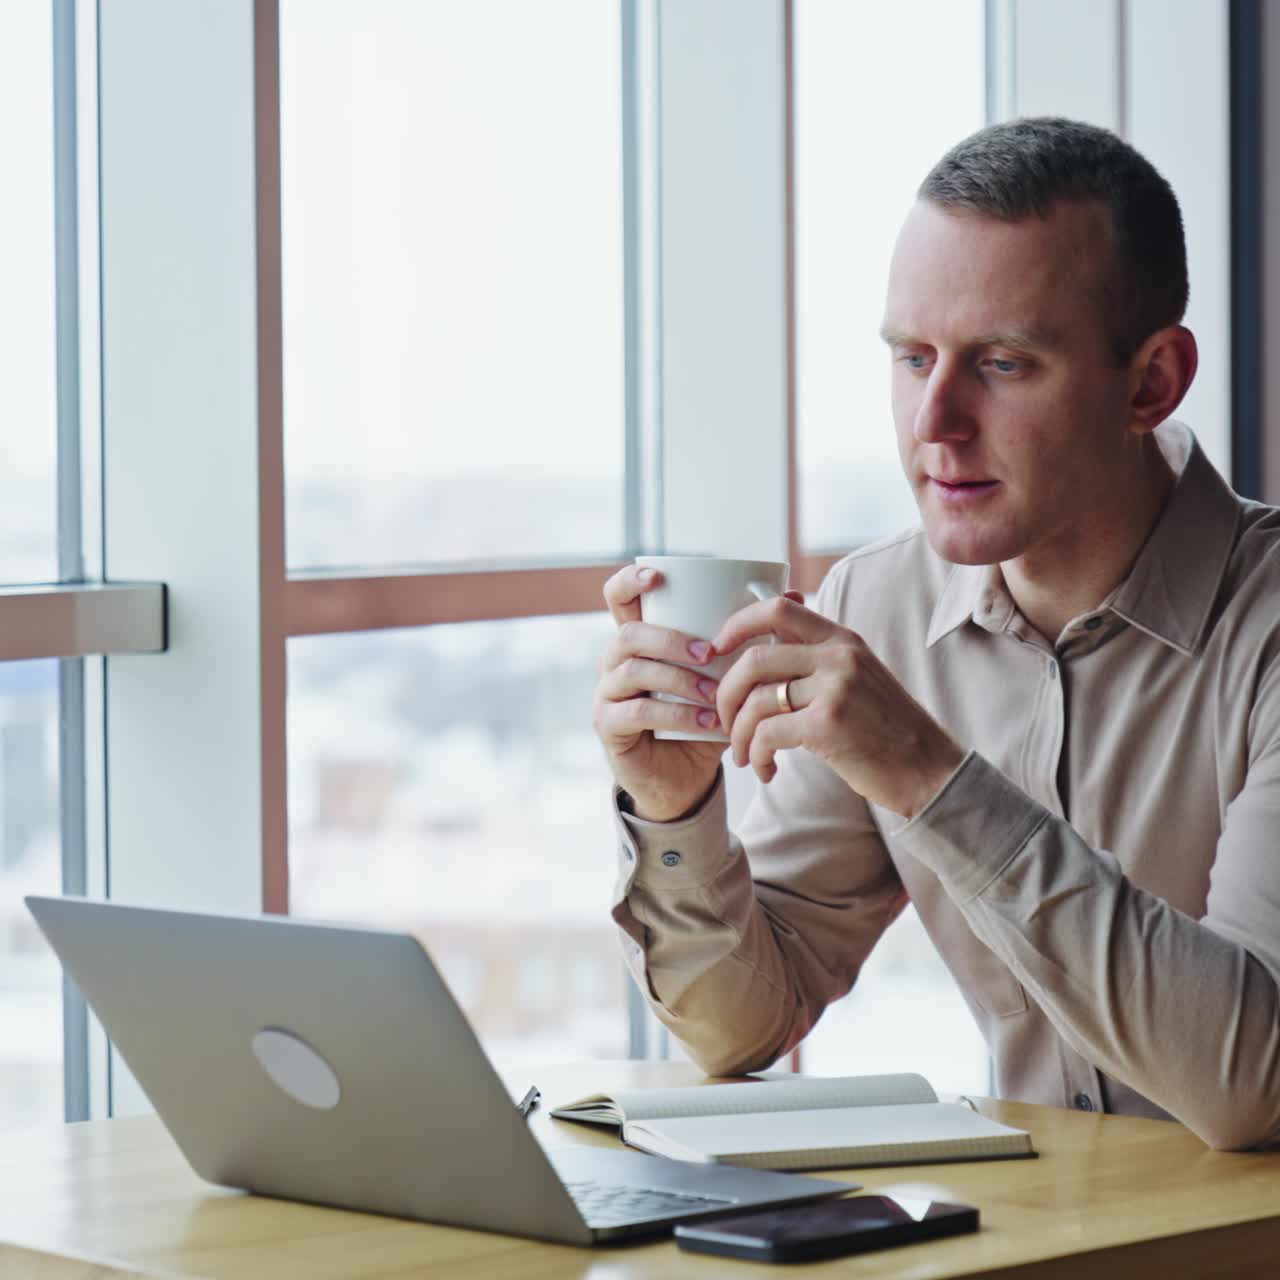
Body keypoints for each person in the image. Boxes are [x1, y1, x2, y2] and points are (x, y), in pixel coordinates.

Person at [592, 116, 1280, 1151]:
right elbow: (741, 1024)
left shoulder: (1263, 623)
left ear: (1149, 382)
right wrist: (674, 807)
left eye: (1001, 363)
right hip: (1051, 1240)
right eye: (910, 356)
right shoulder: (876, 608)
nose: (933, 421)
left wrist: (926, 774)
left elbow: (1250, 1084)